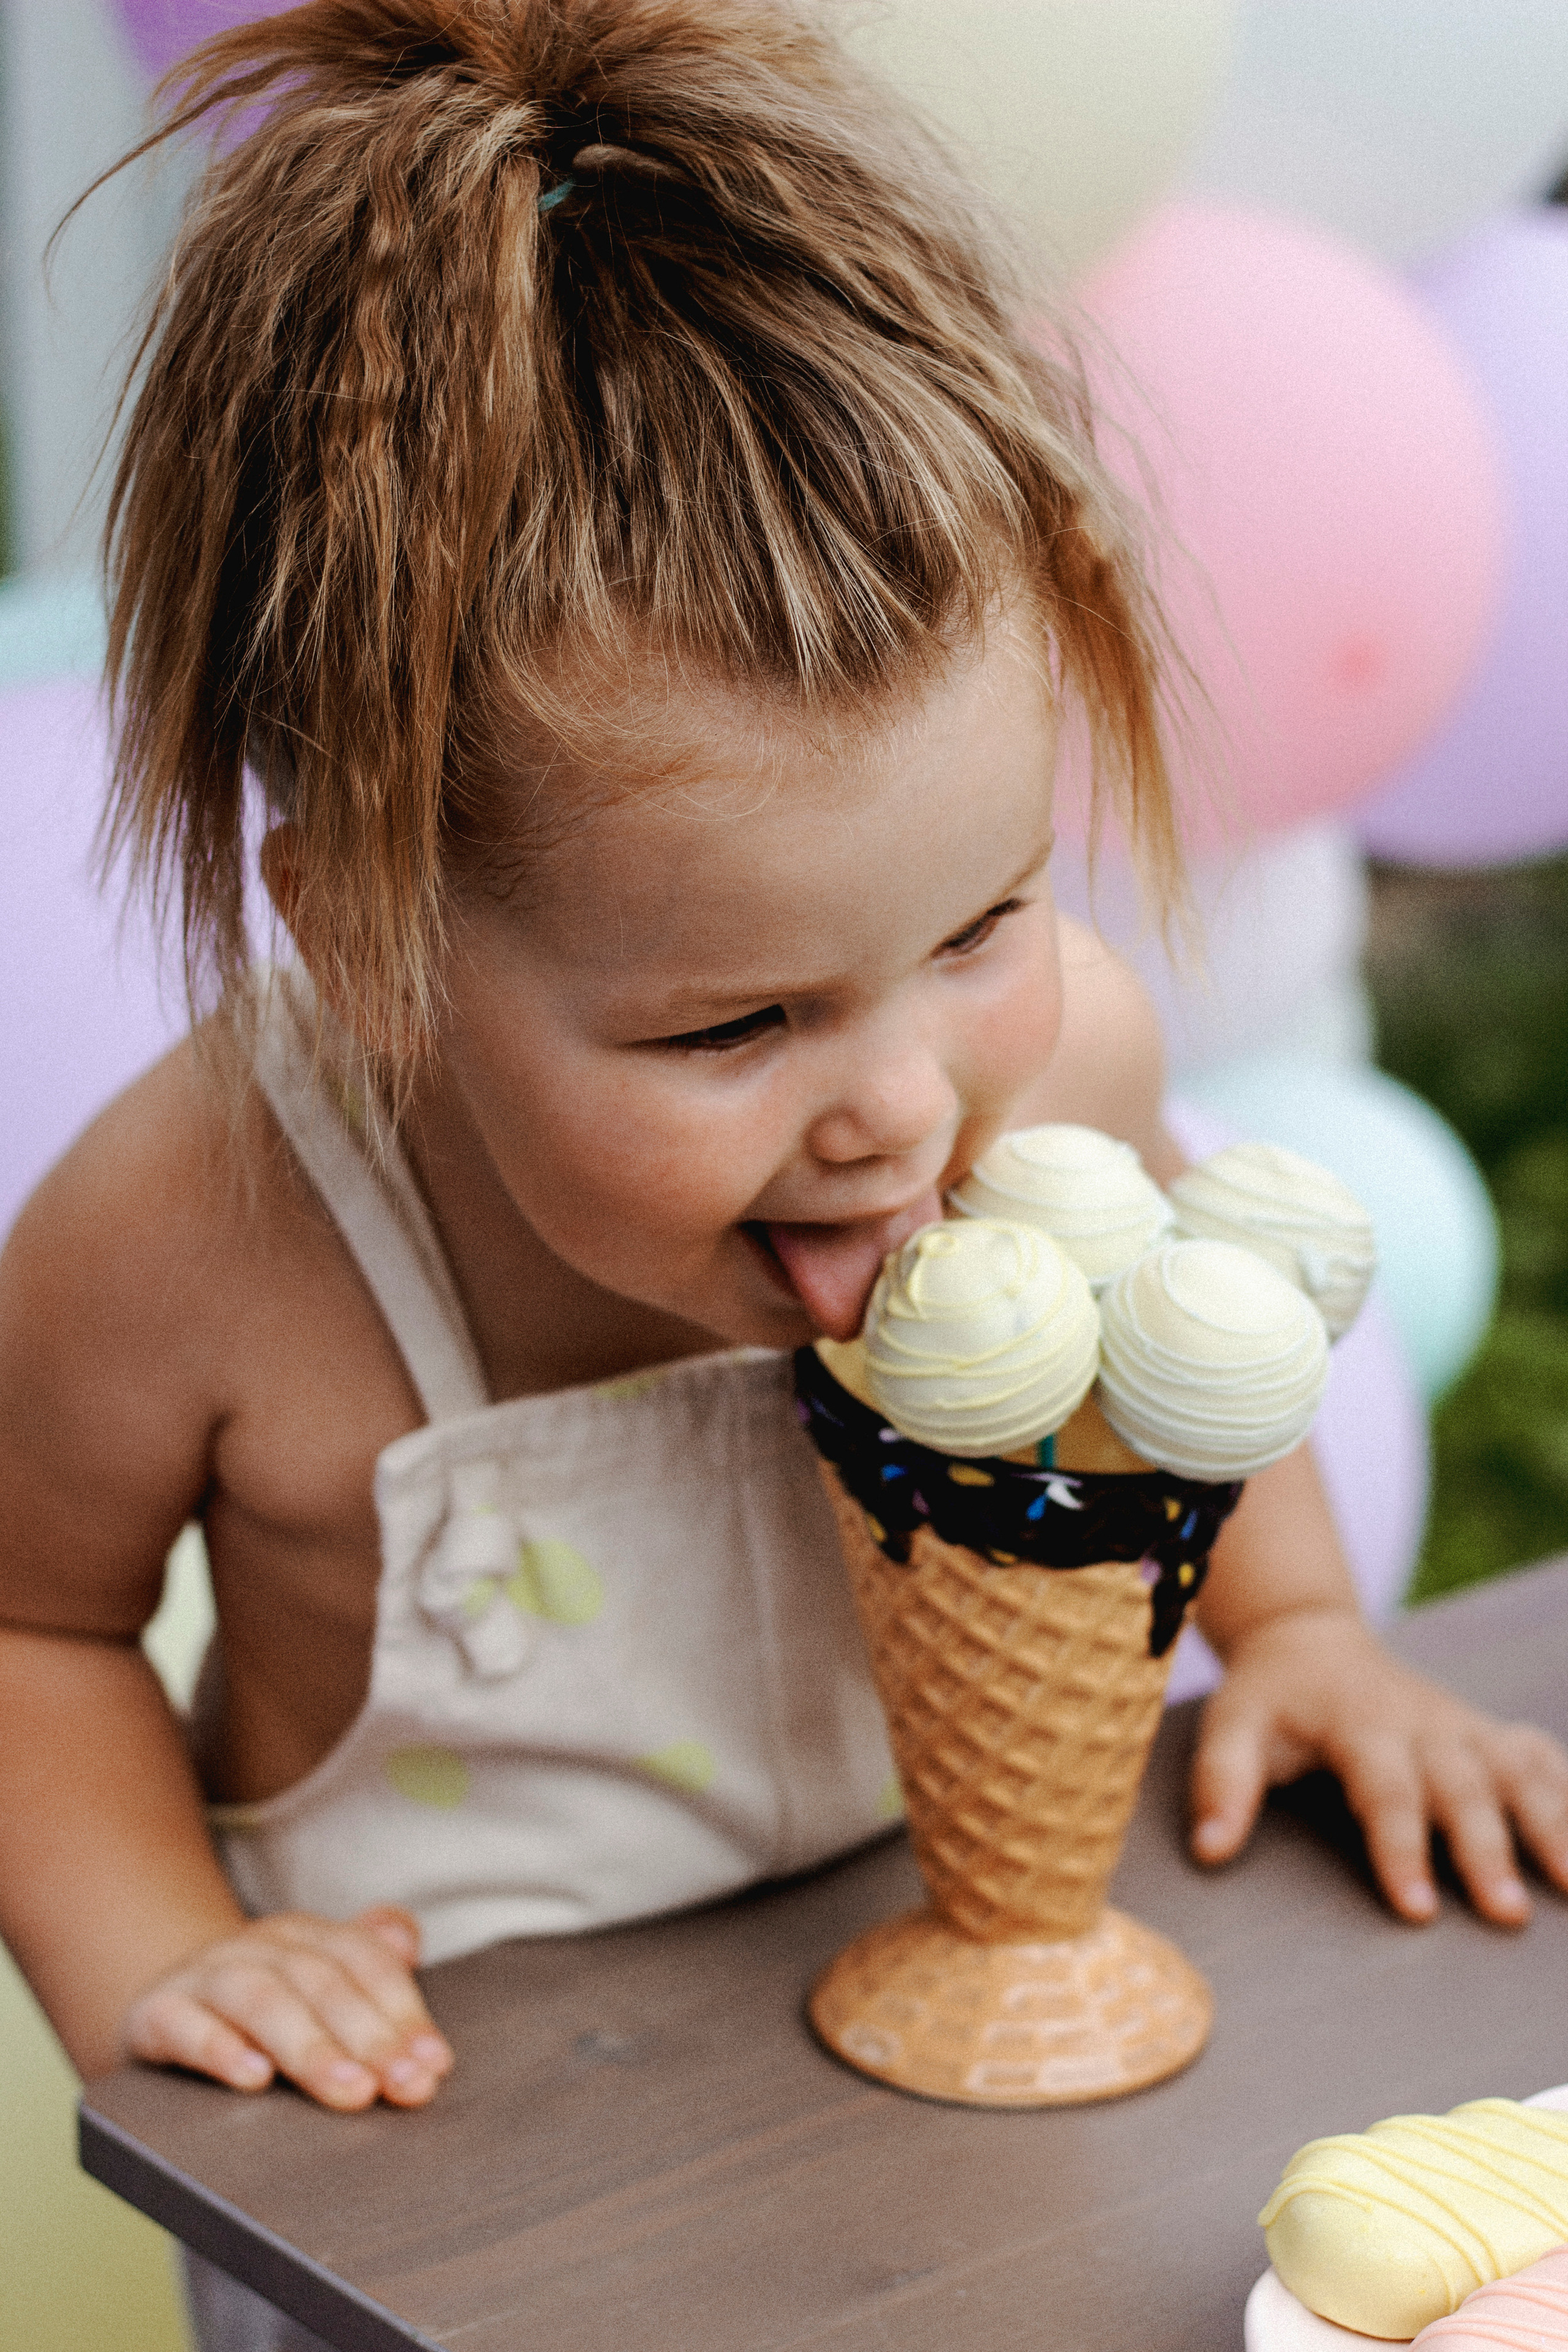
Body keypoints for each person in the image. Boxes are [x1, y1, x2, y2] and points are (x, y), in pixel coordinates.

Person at [2, 0, 1566, 2160]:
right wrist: (174, 1958)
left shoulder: (1067, 1070)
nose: (904, 1109)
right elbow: (30, 1628)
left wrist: (1301, 1628)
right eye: (736, 1028)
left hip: (954, 2087)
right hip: (434, 2169)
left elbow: (1178, 1330)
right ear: (368, 941)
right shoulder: (198, 1234)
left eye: (982, 921)